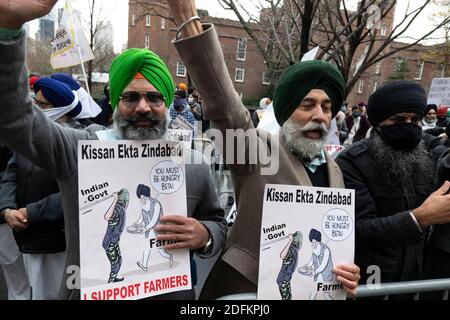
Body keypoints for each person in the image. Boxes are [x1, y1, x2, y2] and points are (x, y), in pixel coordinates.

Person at [0, 1, 227, 300]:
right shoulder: (79, 150)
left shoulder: (193, 163)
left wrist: (205, 235)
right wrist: (7, 29)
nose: (143, 107)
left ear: (167, 104)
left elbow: (217, 223)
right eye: (131, 97)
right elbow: (16, 120)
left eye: (155, 98)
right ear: (116, 103)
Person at [165, 0, 360, 299]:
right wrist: (187, 20)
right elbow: (225, 107)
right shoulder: (258, 152)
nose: (319, 115)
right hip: (248, 293)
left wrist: (346, 273)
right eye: (307, 105)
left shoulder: (335, 170)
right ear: (285, 112)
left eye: (326, 106)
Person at [336, 81, 450, 287]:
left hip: (417, 279)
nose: (408, 125)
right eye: (398, 120)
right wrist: (419, 218)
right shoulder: (351, 162)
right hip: (372, 282)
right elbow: (356, 230)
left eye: (415, 119)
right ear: (378, 122)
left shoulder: (426, 151)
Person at [0, 76, 97, 300]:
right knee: (33, 290)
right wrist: (7, 208)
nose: (36, 108)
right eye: (35, 101)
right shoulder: (29, 142)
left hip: (59, 241)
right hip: (28, 238)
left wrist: (31, 212)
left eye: (43, 105)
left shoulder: (83, 141)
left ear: (61, 108)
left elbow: (81, 191)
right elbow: (10, 173)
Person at [128, 184, 173, 271]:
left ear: (148, 196)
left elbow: (154, 220)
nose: (142, 200)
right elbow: (141, 218)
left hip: (158, 231)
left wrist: (145, 228)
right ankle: (144, 265)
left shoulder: (156, 204)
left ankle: (170, 256)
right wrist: (135, 224)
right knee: (147, 246)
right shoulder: (143, 205)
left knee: (161, 252)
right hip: (150, 231)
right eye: (140, 198)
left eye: (143, 197)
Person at [298, 229, 334, 300]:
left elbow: (323, 265)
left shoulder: (326, 250)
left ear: (318, 241)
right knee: (314, 291)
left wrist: (314, 272)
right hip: (318, 275)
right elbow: (311, 261)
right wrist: (306, 267)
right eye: (312, 242)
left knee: (326, 294)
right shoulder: (314, 249)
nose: (313, 243)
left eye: (315, 242)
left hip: (326, 275)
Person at [102, 189, 129, 284]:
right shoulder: (117, 208)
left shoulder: (121, 209)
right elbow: (107, 217)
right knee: (115, 264)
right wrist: (114, 200)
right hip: (110, 243)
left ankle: (113, 279)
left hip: (114, 242)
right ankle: (111, 283)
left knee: (119, 260)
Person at [276, 231, 302, 300]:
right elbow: (282, 256)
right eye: (299, 244)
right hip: (283, 280)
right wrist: (290, 241)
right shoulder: (292, 250)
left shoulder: (295, 251)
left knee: (288, 297)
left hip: (286, 279)